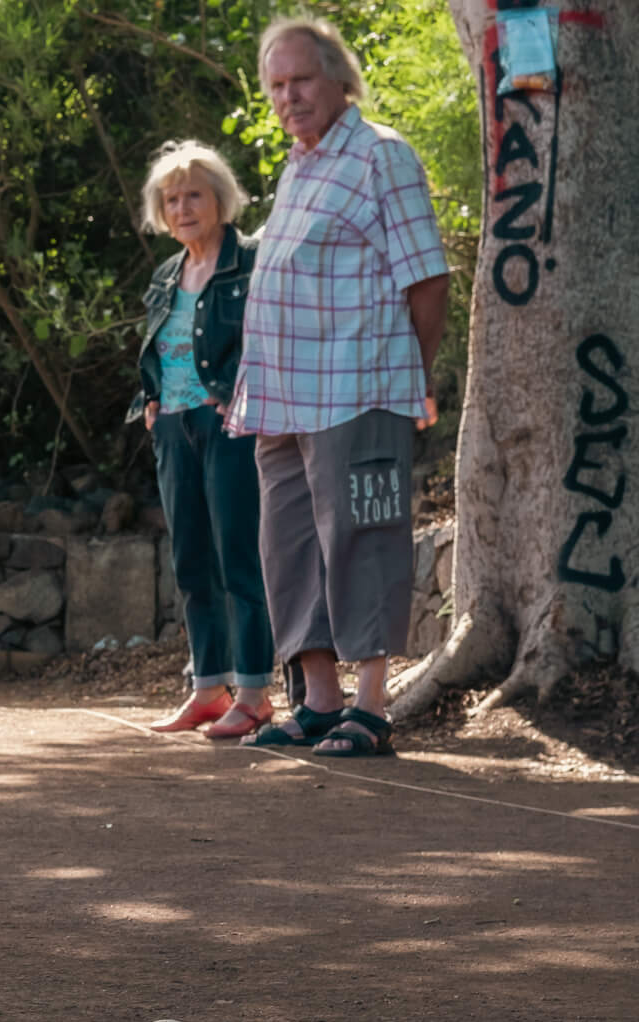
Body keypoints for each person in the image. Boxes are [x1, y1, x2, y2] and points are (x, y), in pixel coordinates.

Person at [228, 16, 448, 758]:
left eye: (302, 80)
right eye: (277, 86)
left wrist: (409, 381)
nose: (289, 96)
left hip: (359, 389)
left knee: (364, 540)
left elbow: (427, 280)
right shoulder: (299, 166)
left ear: (339, 79)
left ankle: (372, 705)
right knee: (288, 549)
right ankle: (319, 702)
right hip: (283, 400)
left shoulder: (381, 155)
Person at [130, 141, 278, 740]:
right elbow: (157, 348)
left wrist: (241, 393)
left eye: (194, 194)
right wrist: (150, 399)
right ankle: (208, 688)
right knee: (190, 561)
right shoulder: (167, 273)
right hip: (173, 427)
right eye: (171, 199)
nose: (183, 207)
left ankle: (255, 692)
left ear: (220, 197)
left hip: (230, 424)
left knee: (238, 555)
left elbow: (269, 336)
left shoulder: (250, 260)